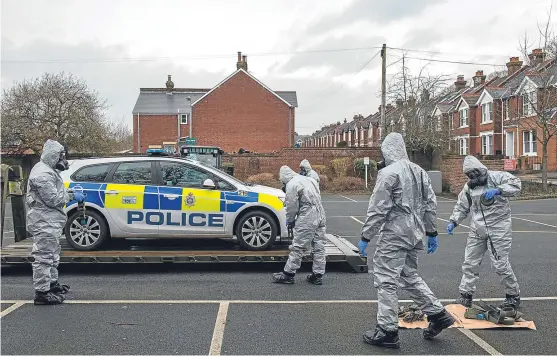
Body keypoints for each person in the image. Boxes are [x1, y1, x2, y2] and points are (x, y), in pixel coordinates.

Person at [358, 132, 454, 349]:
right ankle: (438, 314)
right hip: (415, 233)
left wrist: (366, 236)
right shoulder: (420, 172)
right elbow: (431, 204)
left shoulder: (388, 174)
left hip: (395, 233)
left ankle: (387, 331)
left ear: (387, 151)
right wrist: (431, 232)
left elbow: (378, 209)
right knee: (409, 276)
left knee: (385, 280)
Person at [447, 155, 521, 309]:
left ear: (480, 170)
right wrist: (453, 221)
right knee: (470, 262)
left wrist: (499, 190)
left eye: (474, 174)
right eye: (469, 176)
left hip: (499, 227)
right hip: (477, 228)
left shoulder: (497, 177)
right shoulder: (469, 188)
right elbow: (462, 206)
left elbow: (516, 184)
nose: (472, 178)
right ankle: (465, 295)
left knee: (500, 264)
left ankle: (513, 295)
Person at [26, 139, 85, 305]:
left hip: (49, 221)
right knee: (44, 257)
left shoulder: (48, 170)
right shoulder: (43, 174)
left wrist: (70, 192)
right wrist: (72, 196)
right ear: (53, 156)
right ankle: (42, 293)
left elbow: (54, 193)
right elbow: (53, 199)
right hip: (44, 221)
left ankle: (51, 284)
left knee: (52, 255)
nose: (64, 161)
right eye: (61, 157)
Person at [272, 165, 327, 285]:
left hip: (308, 217)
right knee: (319, 246)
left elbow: (291, 206)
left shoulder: (292, 184)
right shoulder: (308, 179)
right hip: (320, 215)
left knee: (298, 246)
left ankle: (288, 274)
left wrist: (290, 220)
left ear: (284, 179)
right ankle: (317, 275)